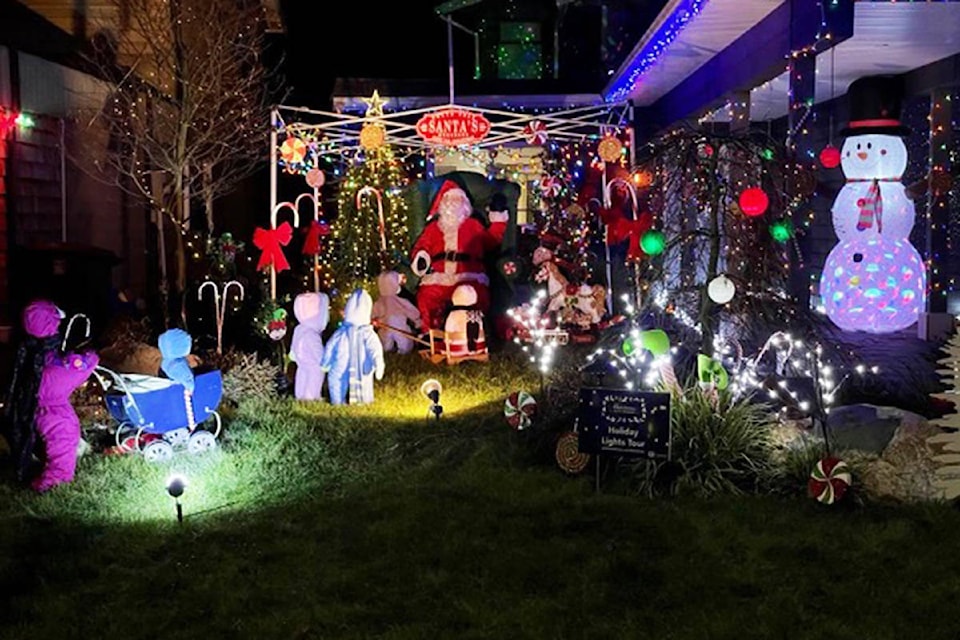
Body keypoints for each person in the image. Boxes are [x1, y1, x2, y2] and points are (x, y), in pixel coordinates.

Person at [410, 181, 509, 330]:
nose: (454, 204)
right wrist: (421, 257)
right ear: (443, 203)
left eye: (458, 199)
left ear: (465, 204)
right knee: (427, 296)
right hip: (439, 276)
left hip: (468, 274)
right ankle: (431, 333)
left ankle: (474, 330)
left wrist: (498, 219)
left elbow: (491, 240)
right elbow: (422, 245)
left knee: (475, 296)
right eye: (450, 199)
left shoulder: (473, 225)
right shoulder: (433, 228)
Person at [2, 300, 64, 483]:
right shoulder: (45, 347)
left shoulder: (25, 345)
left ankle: (26, 460)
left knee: (24, 429)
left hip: (24, 401)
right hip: (38, 403)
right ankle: (30, 468)